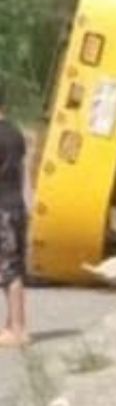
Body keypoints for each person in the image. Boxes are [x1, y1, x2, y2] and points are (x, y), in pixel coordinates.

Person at [0, 84, 28, 347]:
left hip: (2, 209)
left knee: (9, 271)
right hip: (16, 205)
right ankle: (11, 326)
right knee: (10, 267)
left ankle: (18, 330)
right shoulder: (15, 132)